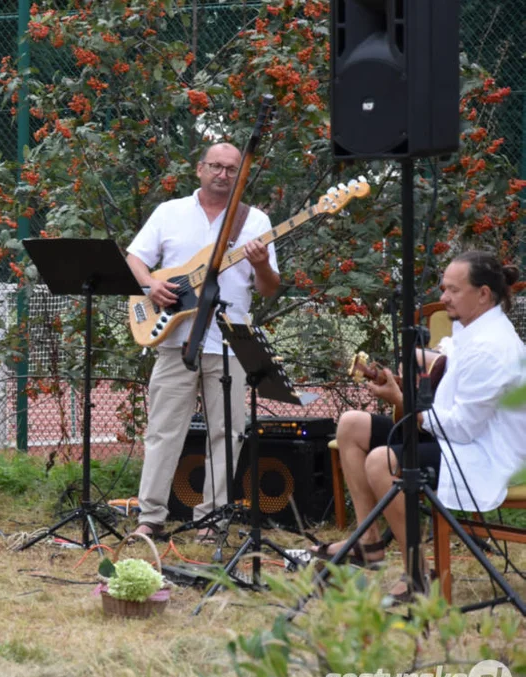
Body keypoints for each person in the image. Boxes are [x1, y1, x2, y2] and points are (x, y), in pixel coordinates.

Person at [309, 251, 526, 602]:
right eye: (444, 288)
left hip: (484, 453)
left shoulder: (492, 347)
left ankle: (418, 577)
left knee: (383, 461)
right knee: (351, 425)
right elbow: (447, 374)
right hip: (460, 437)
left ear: (483, 294)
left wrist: (400, 399)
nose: (443, 298)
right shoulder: (473, 328)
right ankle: (369, 544)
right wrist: (395, 380)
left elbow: (461, 428)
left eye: (453, 290)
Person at [126, 143, 280, 540]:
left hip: (229, 343)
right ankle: (151, 517)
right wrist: (151, 284)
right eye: (216, 166)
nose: (223, 174)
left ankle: (211, 520)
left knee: (227, 434)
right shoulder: (170, 212)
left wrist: (261, 264)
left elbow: (269, 290)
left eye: (231, 169)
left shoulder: (255, 219)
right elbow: (134, 258)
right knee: (163, 430)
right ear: (200, 168)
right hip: (174, 338)